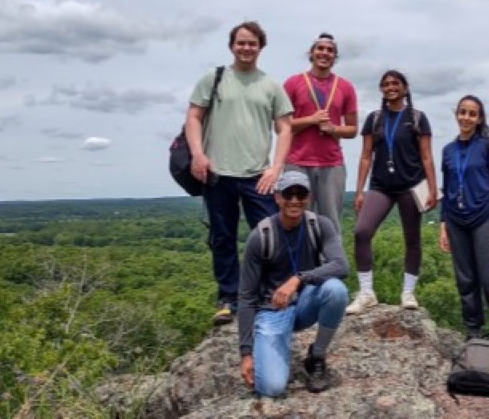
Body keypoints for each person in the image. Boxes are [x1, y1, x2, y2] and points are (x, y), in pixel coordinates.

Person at [184, 20, 294, 326]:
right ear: (232, 46)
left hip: (257, 174)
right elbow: (193, 117)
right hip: (217, 172)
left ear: (261, 47)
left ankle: (267, 293)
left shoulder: (271, 85)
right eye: (241, 43)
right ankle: (228, 299)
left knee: (268, 238)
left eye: (252, 43)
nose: (246, 48)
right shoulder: (214, 78)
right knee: (222, 238)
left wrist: (276, 167)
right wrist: (198, 154)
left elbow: (285, 128)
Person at [238, 170, 349, 397]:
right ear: (277, 197)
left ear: (309, 197)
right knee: (272, 387)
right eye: (288, 194)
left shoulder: (319, 225)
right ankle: (273, 348)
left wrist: (298, 278)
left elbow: (341, 266)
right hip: (272, 310)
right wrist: (246, 353)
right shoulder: (261, 236)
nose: (295, 201)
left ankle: (316, 356)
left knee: (336, 290)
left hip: (304, 302)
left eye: (301, 194)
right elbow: (247, 296)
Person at [346, 70, 438, 314]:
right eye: (386, 84)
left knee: (412, 239)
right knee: (362, 231)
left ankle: (408, 292)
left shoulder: (418, 118)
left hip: (411, 185)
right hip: (381, 186)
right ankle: (366, 292)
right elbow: (366, 156)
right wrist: (358, 191)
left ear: (405, 88)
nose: (391, 87)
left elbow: (427, 155)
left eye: (395, 83)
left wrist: (432, 188)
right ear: (381, 89)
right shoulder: (375, 119)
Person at [438, 95, 489, 354]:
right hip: (455, 219)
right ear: (456, 115)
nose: (466, 118)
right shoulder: (448, 151)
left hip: (483, 217)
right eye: (463, 112)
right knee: (465, 278)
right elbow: (447, 187)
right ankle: (473, 329)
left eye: (472, 114)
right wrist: (443, 224)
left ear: (479, 118)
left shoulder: (487, 145)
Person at [283, 33, 359, 236]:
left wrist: (334, 129)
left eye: (330, 50)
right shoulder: (293, 83)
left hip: (331, 164)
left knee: (330, 223)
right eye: (320, 48)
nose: (324, 53)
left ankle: (331, 266)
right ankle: (299, 267)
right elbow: (281, 127)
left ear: (335, 56)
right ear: (311, 53)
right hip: (297, 162)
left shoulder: (345, 87)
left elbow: (352, 130)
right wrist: (311, 120)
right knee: (295, 220)